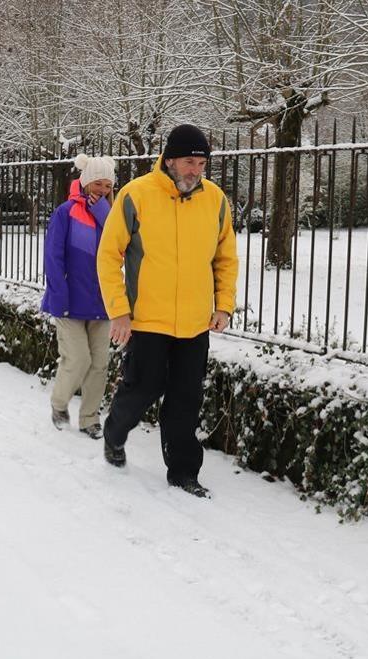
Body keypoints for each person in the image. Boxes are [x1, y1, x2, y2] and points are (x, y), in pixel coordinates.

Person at [96, 124, 239, 498]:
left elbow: (225, 259)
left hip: (194, 323)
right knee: (142, 388)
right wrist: (119, 311)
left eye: (202, 163)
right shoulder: (136, 195)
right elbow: (109, 255)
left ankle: (183, 472)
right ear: (170, 160)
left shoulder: (215, 200)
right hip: (147, 319)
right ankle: (114, 433)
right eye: (189, 162)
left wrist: (223, 305)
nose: (196, 170)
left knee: (185, 399)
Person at [41, 153, 117, 439]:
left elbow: (119, 249)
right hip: (69, 301)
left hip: (102, 302)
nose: (102, 190)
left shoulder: (111, 215)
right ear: (85, 182)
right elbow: (53, 256)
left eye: (108, 186)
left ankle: (89, 419)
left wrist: (102, 214)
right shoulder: (66, 212)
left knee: (99, 364)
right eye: (98, 183)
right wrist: (58, 294)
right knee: (78, 359)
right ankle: (59, 404)